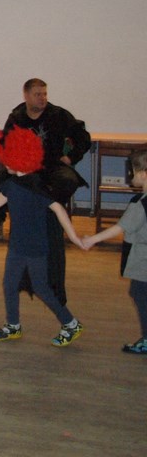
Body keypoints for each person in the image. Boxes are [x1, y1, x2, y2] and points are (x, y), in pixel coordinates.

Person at [0, 126, 88, 347]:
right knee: (9, 285)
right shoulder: (11, 184)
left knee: (41, 288)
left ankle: (71, 323)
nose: (3, 163)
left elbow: (58, 208)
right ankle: (13, 325)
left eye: (6, 157)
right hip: (17, 246)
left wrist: (75, 237)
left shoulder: (35, 186)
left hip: (36, 247)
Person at [0, 78, 91, 245]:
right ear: (26, 96)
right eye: (37, 94)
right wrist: (11, 161)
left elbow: (82, 136)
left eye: (44, 94)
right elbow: (5, 142)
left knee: (67, 180)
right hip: (25, 167)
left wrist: (71, 157)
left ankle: (50, 222)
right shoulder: (17, 117)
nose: (42, 98)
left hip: (52, 165)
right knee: (0, 176)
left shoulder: (59, 115)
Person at [82, 148, 147, 355]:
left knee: (139, 294)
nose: (130, 176)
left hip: (143, 260)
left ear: (143, 174)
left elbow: (120, 227)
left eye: (132, 171)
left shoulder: (140, 204)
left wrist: (92, 239)